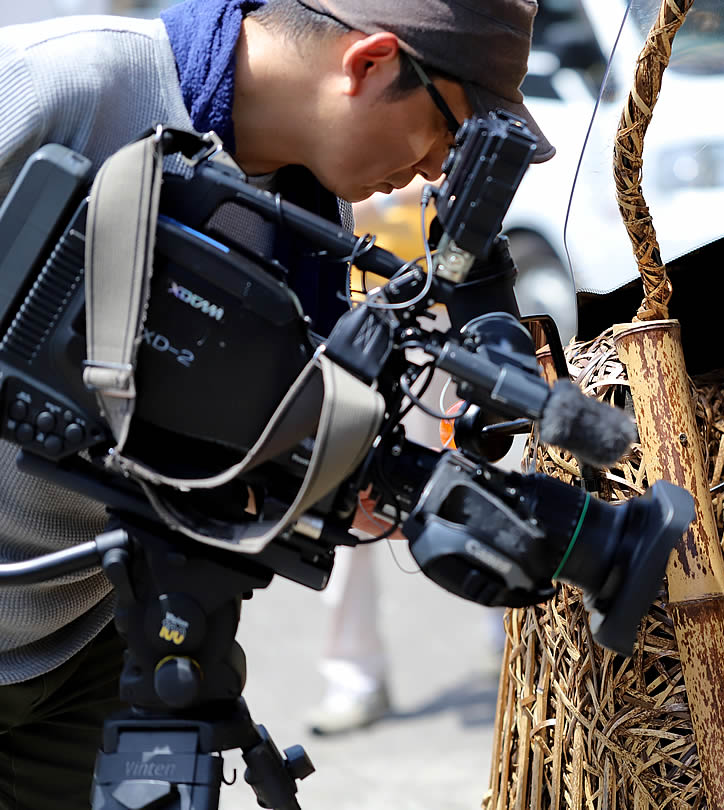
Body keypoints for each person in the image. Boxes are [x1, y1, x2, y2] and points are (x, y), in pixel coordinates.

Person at [0, 0, 553, 807]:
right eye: (446, 128)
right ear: (369, 64)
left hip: (83, 647)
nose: (438, 170)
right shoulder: (70, 84)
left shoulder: (310, 218)